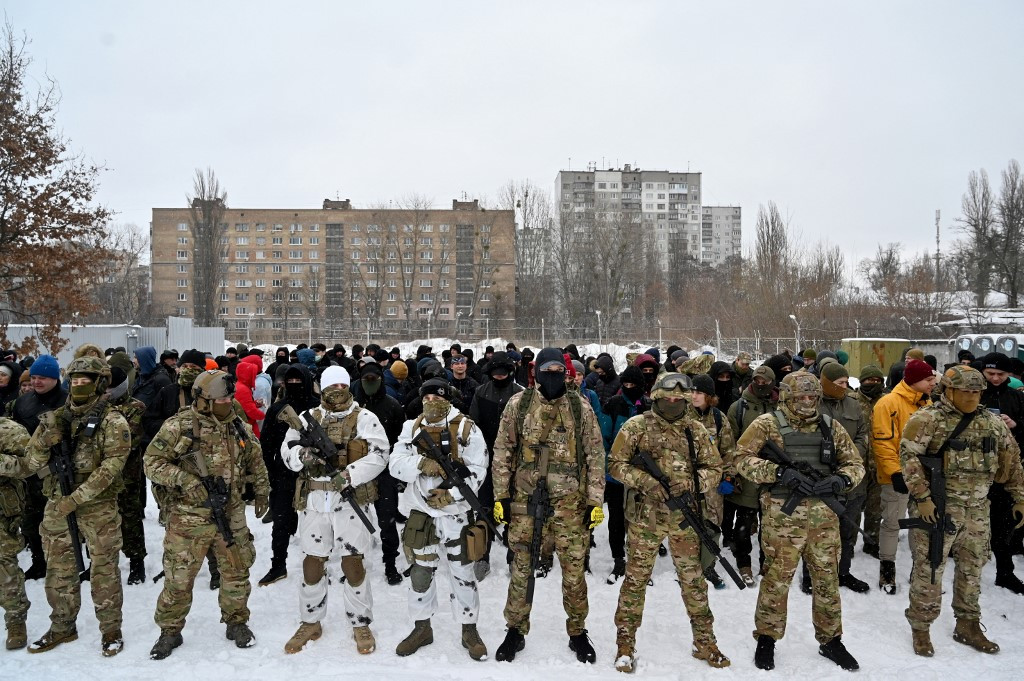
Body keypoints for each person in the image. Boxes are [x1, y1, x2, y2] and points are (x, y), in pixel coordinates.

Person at [735, 371, 864, 671]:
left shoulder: (830, 426)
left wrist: (840, 480)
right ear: (787, 397)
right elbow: (741, 459)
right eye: (800, 397)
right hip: (783, 517)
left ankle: (831, 640)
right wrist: (777, 473)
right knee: (776, 580)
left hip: (824, 520)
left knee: (828, 581)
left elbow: (855, 464)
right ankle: (766, 638)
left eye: (811, 397)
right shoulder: (766, 424)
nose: (806, 402)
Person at [609, 372, 730, 671]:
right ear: (657, 397)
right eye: (668, 398)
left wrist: (692, 482)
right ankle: (625, 643)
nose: (673, 403)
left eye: (679, 399)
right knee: (635, 581)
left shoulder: (696, 430)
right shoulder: (636, 426)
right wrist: (647, 483)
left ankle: (705, 640)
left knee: (693, 582)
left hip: (685, 520)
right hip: (644, 519)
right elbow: (615, 465)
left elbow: (715, 468)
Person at [491, 348, 605, 663]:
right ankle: (515, 629)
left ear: (565, 372)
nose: (552, 373)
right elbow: (503, 451)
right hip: (526, 502)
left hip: (571, 505)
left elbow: (596, 456)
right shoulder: (520, 404)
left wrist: (595, 500)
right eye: (547, 368)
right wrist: (501, 496)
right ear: (537, 372)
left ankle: (578, 631)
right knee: (522, 569)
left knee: (573, 573)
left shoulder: (580, 408)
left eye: (558, 368)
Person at [145, 370, 269, 659]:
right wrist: (185, 480)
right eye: (221, 399)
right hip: (189, 517)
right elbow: (151, 462)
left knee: (236, 571)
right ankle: (170, 631)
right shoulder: (179, 426)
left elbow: (255, 458)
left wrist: (262, 490)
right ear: (203, 400)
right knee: (179, 577)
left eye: (229, 398)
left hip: (231, 512)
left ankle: (236, 622)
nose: (227, 403)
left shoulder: (237, 425)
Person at [900, 365, 1024, 656]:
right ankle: (921, 627)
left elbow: (1013, 458)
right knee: (929, 569)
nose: (970, 397)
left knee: (972, 569)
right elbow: (909, 459)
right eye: (964, 392)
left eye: (975, 392)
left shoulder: (992, 423)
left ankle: (967, 624)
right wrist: (922, 498)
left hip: (977, 510)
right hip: (937, 509)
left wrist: (1020, 496)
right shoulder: (928, 419)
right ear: (949, 391)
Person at [23, 357, 131, 656]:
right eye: (76, 381)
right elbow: (30, 463)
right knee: (58, 570)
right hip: (58, 506)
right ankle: (62, 626)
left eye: (87, 381)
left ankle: (111, 630)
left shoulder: (113, 421)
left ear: (99, 384)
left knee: (104, 571)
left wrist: (77, 498)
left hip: (98, 508)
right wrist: (45, 442)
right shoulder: (53, 419)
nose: (80, 386)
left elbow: (112, 467)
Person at [281, 365, 388, 655]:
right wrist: (303, 454)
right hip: (315, 502)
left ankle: (360, 623)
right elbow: (287, 452)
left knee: (353, 565)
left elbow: (380, 455)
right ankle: (311, 621)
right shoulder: (306, 419)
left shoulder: (365, 418)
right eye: (331, 386)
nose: (337, 391)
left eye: (342, 385)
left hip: (350, 502)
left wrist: (350, 474)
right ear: (321, 388)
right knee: (312, 564)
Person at [389, 378, 489, 660]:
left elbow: (478, 468)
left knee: (463, 573)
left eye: (438, 398)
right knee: (420, 574)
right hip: (421, 513)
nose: (432, 402)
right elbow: (395, 464)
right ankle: (422, 628)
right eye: (427, 398)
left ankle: (469, 629)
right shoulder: (411, 428)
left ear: (449, 399)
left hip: (455, 515)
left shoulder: (467, 428)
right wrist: (422, 463)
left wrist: (453, 495)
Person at [873, 358, 936, 594]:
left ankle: (918, 570)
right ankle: (887, 570)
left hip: (924, 477)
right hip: (896, 477)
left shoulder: (928, 403)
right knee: (892, 523)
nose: (933, 383)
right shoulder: (887, 404)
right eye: (928, 380)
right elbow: (883, 444)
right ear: (914, 380)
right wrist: (895, 473)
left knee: (920, 524)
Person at [256, 364, 318, 587]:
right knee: (281, 522)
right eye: (289, 381)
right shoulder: (278, 409)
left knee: (319, 523)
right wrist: (270, 472)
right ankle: (278, 565)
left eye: (298, 381)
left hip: (315, 474)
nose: (294, 386)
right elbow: (266, 443)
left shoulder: (318, 407)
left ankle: (320, 565)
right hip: (284, 473)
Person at [812, 361, 871, 593]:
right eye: (839, 383)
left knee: (848, 529)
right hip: (820, 478)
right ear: (826, 383)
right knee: (817, 532)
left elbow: (863, 434)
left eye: (846, 382)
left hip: (852, 479)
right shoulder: (812, 403)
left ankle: (843, 572)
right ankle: (812, 574)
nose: (845, 387)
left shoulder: (854, 405)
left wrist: (850, 455)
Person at [6, 355, 67, 581]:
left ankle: (62, 564)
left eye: (43, 377)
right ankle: (39, 561)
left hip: (59, 474)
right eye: (34, 377)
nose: (37, 382)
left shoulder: (67, 402)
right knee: (31, 522)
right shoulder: (23, 402)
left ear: (55, 378)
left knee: (60, 525)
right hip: (30, 474)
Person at [468, 351, 524, 579]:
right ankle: (482, 557)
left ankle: (514, 557)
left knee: (514, 511)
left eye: (503, 374)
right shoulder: (481, 393)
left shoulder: (521, 395)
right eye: (495, 374)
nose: (499, 378)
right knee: (484, 510)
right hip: (487, 460)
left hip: (515, 463)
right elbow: (473, 427)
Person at [355, 358, 407, 585]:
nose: (369, 383)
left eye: (373, 379)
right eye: (365, 379)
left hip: (385, 473)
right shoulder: (354, 408)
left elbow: (402, 442)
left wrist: (398, 473)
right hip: (358, 471)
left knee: (387, 521)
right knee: (355, 521)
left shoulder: (392, 406)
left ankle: (390, 563)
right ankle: (353, 564)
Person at [725, 364, 777, 586]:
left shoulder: (781, 407)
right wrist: (733, 472)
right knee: (744, 525)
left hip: (774, 474)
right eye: (757, 380)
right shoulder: (739, 408)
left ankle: (767, 564)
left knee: (770, 524)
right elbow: (730, 444)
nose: (761, 385)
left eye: (765, 382)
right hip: (747, 473)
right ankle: (743, 563)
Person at [977, 352, 1024, 593]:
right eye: (990, 373)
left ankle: (1005, 572)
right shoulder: (973, 393)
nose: (995, 378)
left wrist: (1015, 425)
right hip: (973, 471)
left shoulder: (1016, 397)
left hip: (1004, 472)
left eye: (1001, 374)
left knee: (1004, 525)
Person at [600, 365, 650, 584]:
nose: (629, 388)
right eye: (626, 385)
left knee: (640, 520)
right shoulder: (613, 404)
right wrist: (608, 467)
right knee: (616, 519)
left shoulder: (649, 407)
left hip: (642, 474)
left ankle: (639, 562)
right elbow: (604, 438)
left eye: (633, 385)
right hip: (617, 473)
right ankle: (619, 559)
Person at [105, 357, 149, 586]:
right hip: (99, 477)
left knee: (129, 518)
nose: (107, 391)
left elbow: (128, 441)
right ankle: (99, 563)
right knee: (100, 522)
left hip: (126, 476)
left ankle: (136, 561)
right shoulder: (95, 407)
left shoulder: (135, 407)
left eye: (112, 387)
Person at [689, 374, 735, 590]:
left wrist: (728, 476)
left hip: (713, 484)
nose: (694, 396)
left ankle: (708, 566)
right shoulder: (681, 416)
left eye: (699, 392)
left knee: (712, 526)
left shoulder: (718, 418)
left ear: (709, 396)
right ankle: (688, 568)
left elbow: (729, 451)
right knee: (688, 526)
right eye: (692, 391)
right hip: (687, 482)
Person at [0, 416, 30, 650]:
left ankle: (16, 620)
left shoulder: (8, 430)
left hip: (1, 510)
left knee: (4, 567)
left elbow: (30, 464)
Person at [854, 365, 885, 558]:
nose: (872, 384)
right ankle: (848, 541)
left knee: (876, 507)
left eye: (877, 381)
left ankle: (872, 541)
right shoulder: (851, 401)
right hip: (857, 463)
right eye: (868, 380)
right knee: (854, 506)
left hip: (880, 463)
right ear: (861, 381)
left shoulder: (887, 401)